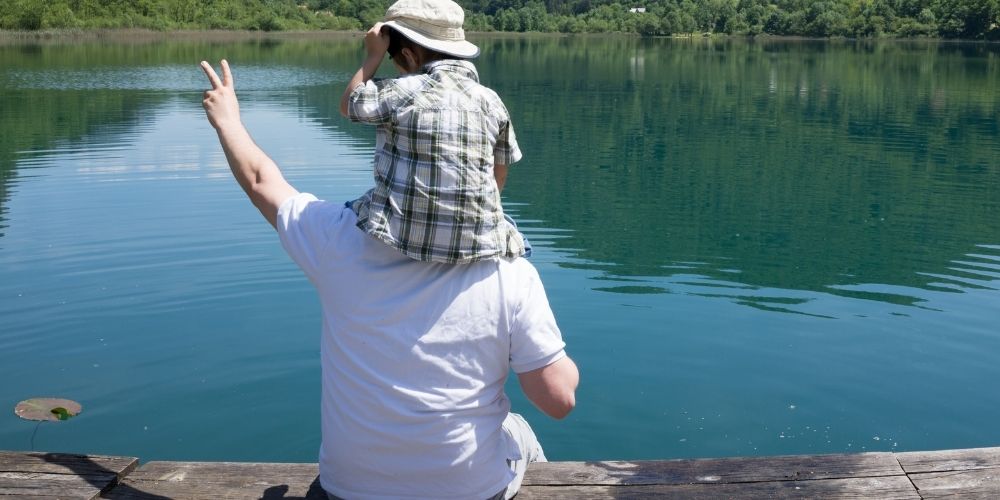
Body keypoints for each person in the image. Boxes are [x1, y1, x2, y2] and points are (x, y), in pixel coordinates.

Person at [200, 57, 579, 499]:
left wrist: (227, 120)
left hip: (346, 493)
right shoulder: (509, 271)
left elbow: (262, 180)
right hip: (471, 492)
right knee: (521, 431)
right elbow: (558, 400)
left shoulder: (336, 239)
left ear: (390, 154)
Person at [340, 0, 528, 264]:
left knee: (355, 208)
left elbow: (348, 104)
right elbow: (500, 173)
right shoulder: (491, 100)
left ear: (409, 55)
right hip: (481, 243)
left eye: (394, 60)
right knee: (506, 224)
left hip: (404, 238)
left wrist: (373, 56)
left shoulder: (401, 91)